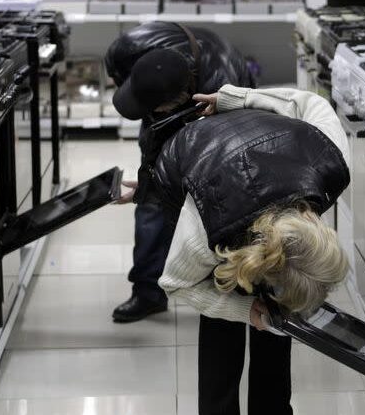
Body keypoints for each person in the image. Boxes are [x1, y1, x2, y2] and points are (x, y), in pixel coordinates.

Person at [154, 85, 351, 415]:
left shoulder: (330, 161)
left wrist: (235, 98)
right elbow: (175, 284)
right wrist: (245, 311)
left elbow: (309, 103)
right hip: (196, 166)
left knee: (279, 319)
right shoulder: (207, 229)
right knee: (224, 316)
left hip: (262, 153)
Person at [104, 22, 254, 323]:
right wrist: (149, 185)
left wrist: (172, 186)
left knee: (209, 200)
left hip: (215, 108)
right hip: (161, 89)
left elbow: (217, 158)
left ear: (180, 100)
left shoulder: (223, 87)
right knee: (150, 203)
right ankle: (147, 292)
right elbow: (122, 79)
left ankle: (222, 284)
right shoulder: (127, 50)